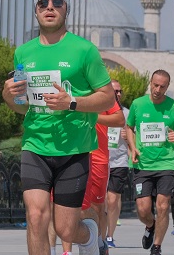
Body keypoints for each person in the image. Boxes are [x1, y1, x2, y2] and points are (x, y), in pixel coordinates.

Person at [1, 0, 114, 255]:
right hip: (35, 146)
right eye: (43, 3)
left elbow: (108, 98)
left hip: (73, 149)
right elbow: (23, 107)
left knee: (66, 229)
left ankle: (89, 235)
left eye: (57, 2)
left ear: (66, 10)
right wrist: (8, 96)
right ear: (36, 11)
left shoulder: (84, 50)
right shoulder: (23, 53)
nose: (49, 7)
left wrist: (72, 103)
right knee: (36, 217)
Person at [125, 70, 174, 255]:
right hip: (142, 164)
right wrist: (133, 147)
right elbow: (129, 127)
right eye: (155, 85)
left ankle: (157, 246)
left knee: (163, 206)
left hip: (166, 164)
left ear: (167, 87)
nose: (158, 90)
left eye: (162, 87)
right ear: (150, 83)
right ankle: (151, 225)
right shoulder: (138, 104)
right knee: (143, 210)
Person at [57, 90, 124, 255]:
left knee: (96, 206)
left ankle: (99, 244)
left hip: (98, 157)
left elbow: (119, 119)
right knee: (68, 204)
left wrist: (92, 116)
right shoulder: (69, 87)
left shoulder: (102, 91)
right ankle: (67, 251)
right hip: (72, 153)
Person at [106, 80, 129, 248]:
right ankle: (98, 234)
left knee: (113, 200)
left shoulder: (126, 114)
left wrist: (128, 137)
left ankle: (110, 236)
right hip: (100, 160)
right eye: (115, 91)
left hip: (119, 161)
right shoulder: (98, 111)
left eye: (120, 91)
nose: (118, 94)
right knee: (99, 201)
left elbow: (136, 136)